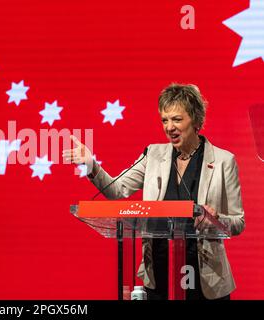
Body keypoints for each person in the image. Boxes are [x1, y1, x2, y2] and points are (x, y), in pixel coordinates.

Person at [62, 83, 245, 300]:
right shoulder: (153, 155)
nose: (169, 127)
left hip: (206, 279)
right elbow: (118, 190)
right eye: (165, 120)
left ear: (195, 120)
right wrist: (91, 165)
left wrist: (215, 219)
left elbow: (238, 222)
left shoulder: (224, 161)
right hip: (158, 274)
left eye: (177, 119)